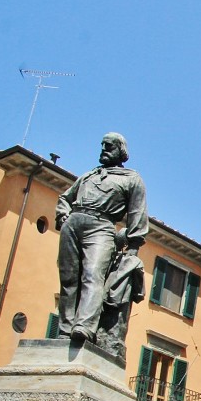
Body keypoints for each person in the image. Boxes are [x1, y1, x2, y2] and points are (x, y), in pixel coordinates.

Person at [56, 133, 147, 343]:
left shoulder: (132, 179)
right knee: (69, 278)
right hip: (73, 222)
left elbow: (137, 212)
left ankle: (84, 326)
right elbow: (65, 198)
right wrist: (63, 215)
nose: (103, 148)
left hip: (102, 226)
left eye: (109, 145)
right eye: (102, 145)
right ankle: (65, 328)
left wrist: (134, 245)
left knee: (93, 274)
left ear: (121, 151)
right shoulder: (89, 176)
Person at [96, 229, 146, 360]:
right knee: (117, 329)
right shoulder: (136, 263)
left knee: (101, 325)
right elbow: (139, 291)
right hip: (122, 300)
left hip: (104, 296)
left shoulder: (111, 257)